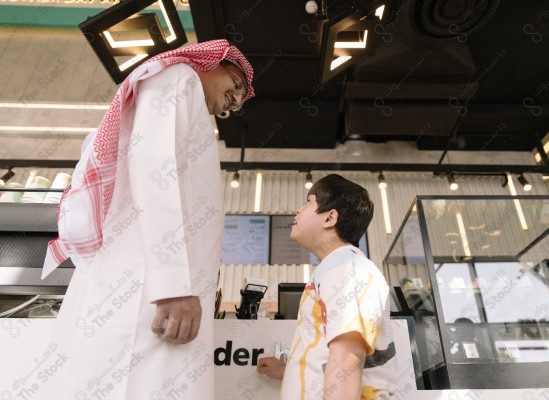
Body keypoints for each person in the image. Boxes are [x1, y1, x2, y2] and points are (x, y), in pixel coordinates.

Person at [37, 40, 254, 399]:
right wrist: (173, 286)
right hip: (146, 291)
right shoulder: (178, 77)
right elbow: (155, 169)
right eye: (236, 86)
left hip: (153, 289)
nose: (236, 102)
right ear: (214, 61)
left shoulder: (184, 94)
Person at [257, 174, 401, 399]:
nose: (298, 209)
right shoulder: (336, 269)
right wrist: (290, 371)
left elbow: (348, 356)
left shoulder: (347, 270)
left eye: (308, 202)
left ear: (330, 217)